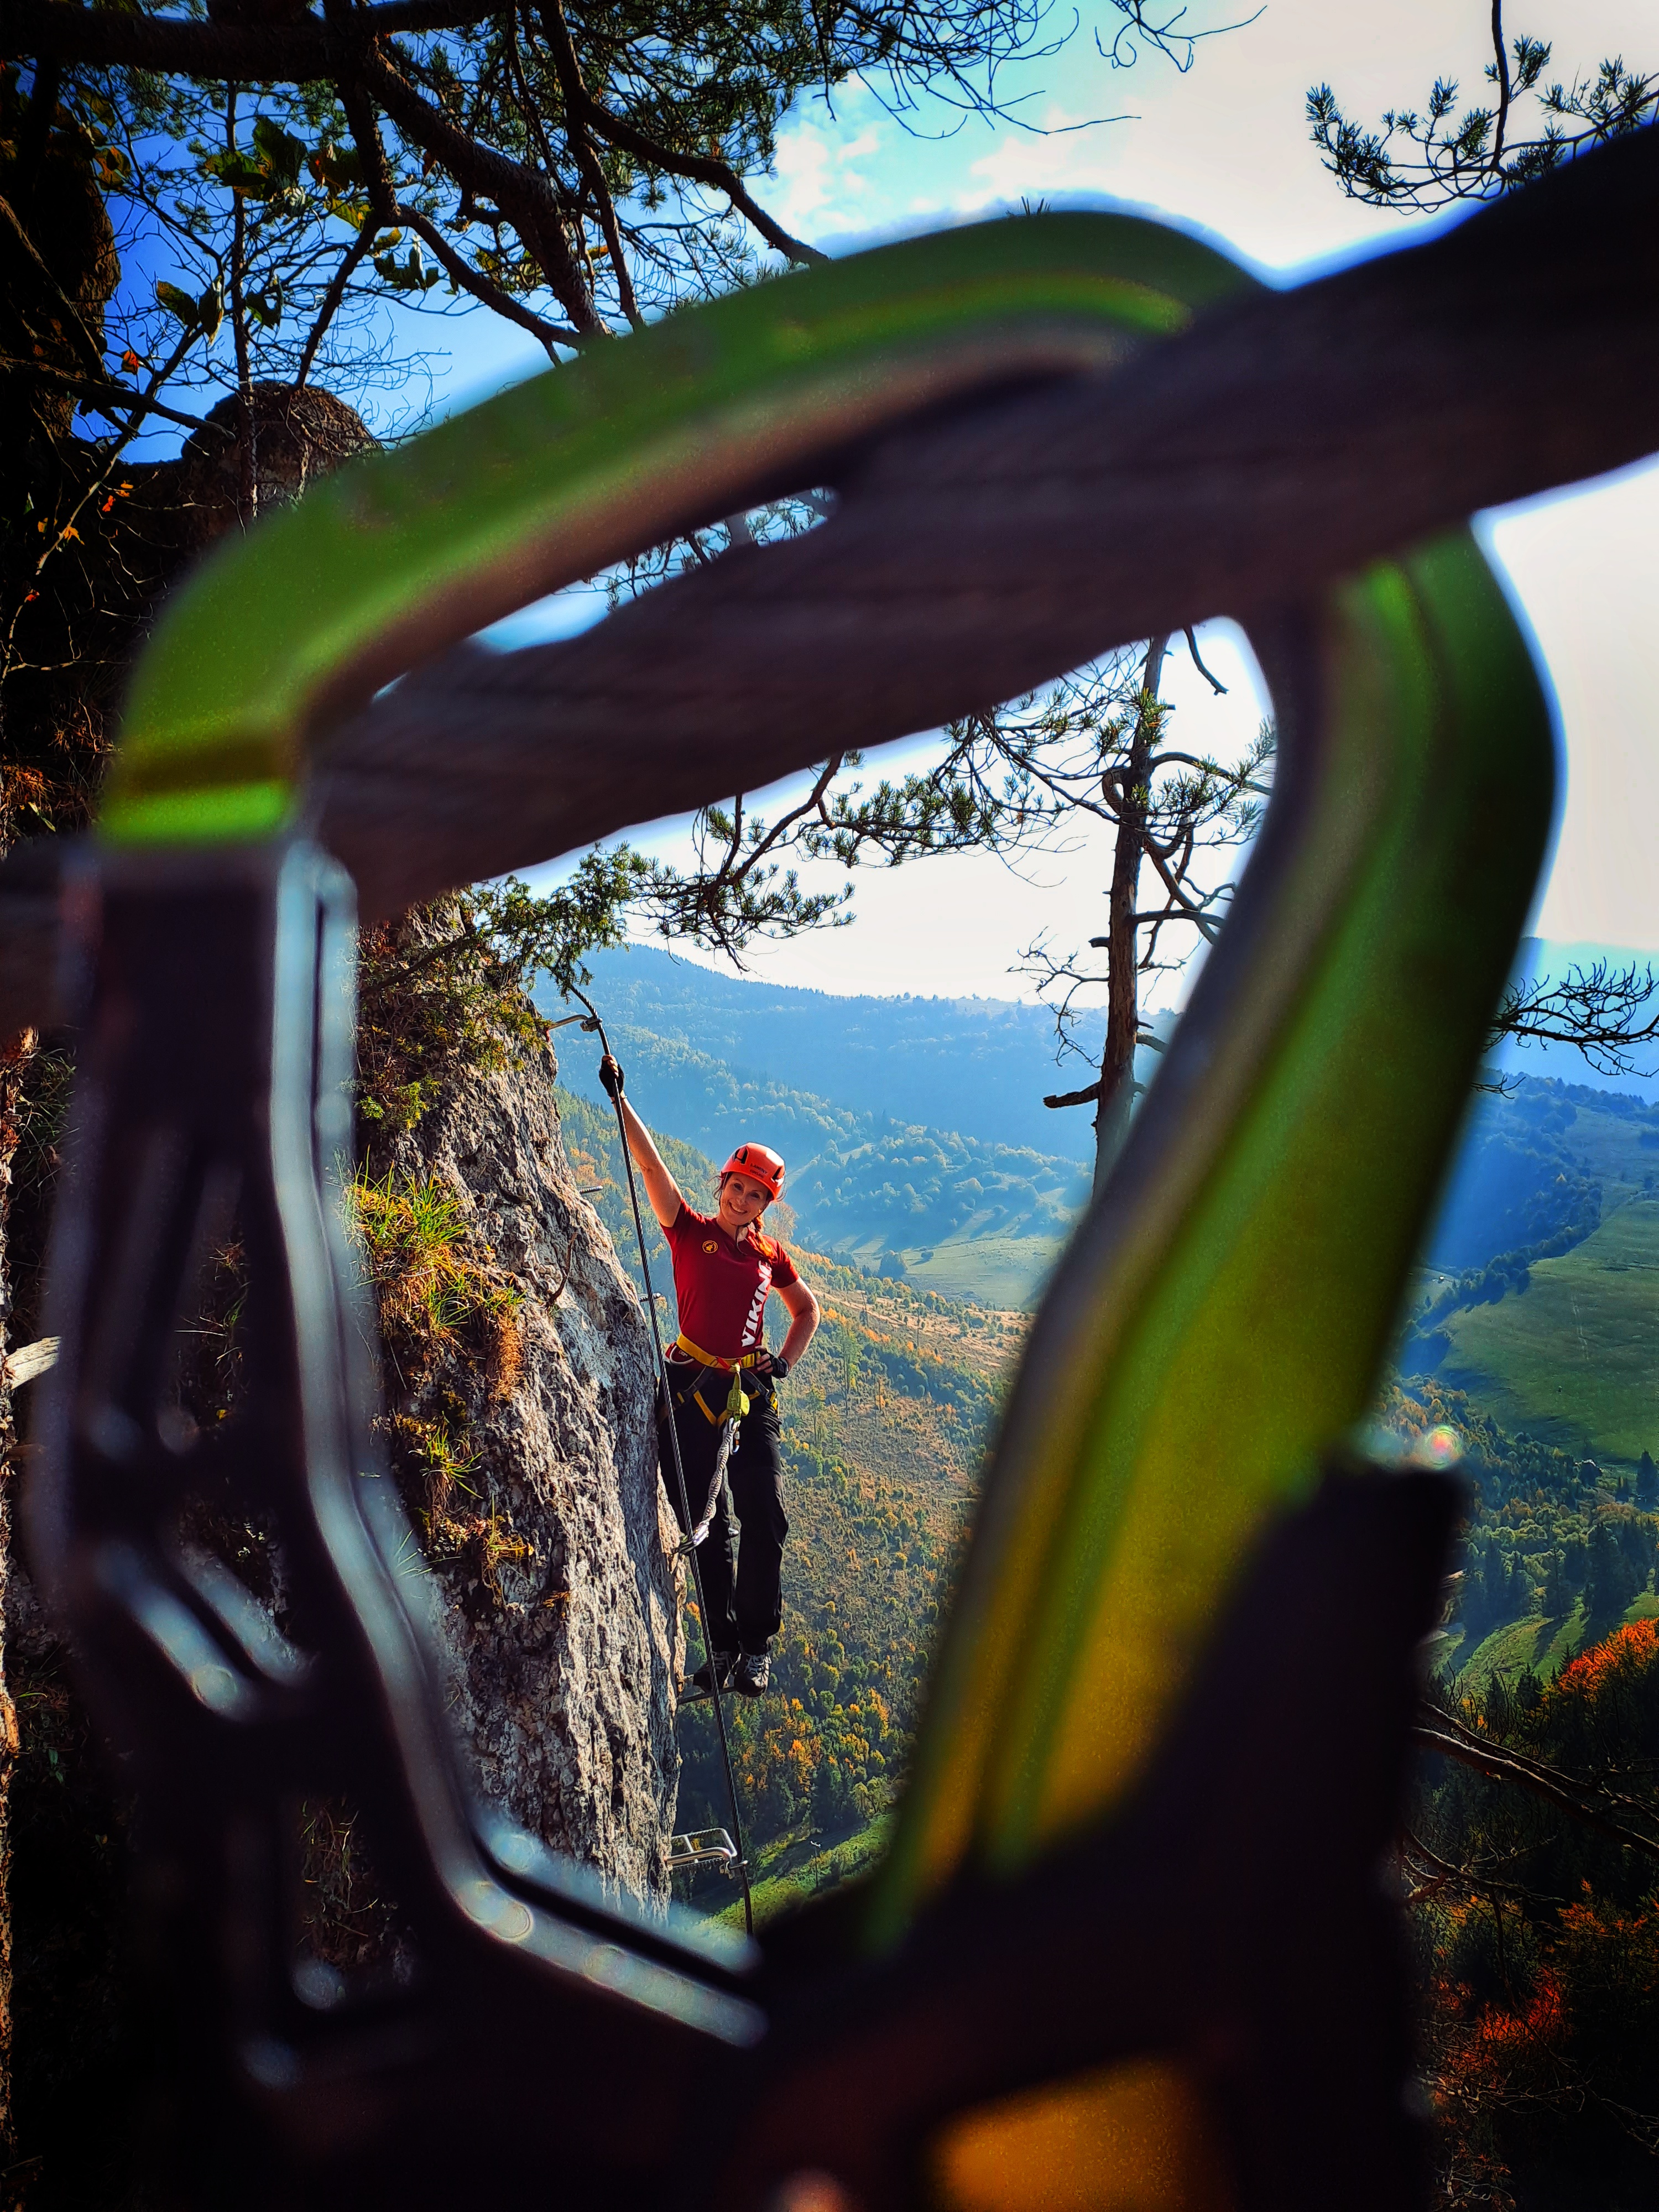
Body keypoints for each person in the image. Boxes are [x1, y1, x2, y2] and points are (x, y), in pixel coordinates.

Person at [601, 1053, 819, 1698]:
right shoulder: (688, 1229)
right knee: (707, 1522)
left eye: (756, 1194)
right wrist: (621, 1100)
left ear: (764, 1204)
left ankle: (755, 1645)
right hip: (692, 1387)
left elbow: (807, 1310)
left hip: (750, 1394)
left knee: (765, 1513)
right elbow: (651, 1168)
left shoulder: (769, 1254)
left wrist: (784, 1361)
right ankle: (724, 1646)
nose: (742, 1198)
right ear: (722, 1180)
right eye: (737, 1185)